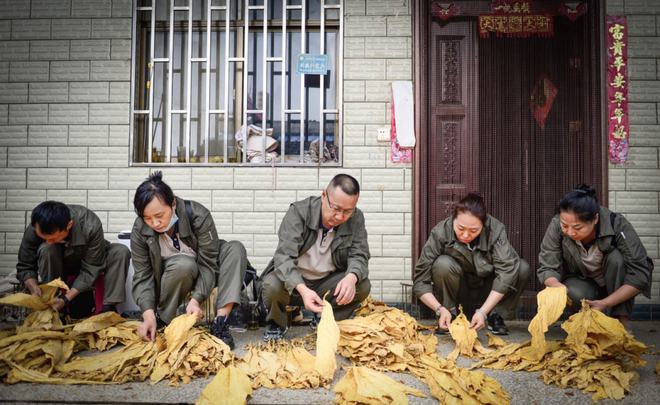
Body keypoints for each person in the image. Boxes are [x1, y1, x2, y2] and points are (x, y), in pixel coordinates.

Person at [130, 172, 247, 349]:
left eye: (160, 215)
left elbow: (208, 264)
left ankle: (220, 322)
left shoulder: (198, 215)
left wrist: (196, 300)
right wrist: (148, 315)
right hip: (174, 275)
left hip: (206, 268)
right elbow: (142, 275)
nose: (155, 223)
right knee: (183, 264)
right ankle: (163, 320)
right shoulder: (140, 230)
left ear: (173, 204)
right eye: (147, 218)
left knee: (235, 249)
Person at [261, 174, 371, 340]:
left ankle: (326, 319)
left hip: (326, 282)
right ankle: (277, 323)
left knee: (362, 285)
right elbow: (284, 258)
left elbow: (360, 254)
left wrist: (351, 277)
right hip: (295, 283)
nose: (341, 217)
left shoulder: (356, 218)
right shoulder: (299, 212)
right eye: (336, 208)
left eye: (348, 211)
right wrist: (303, 290)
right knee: (271, 286)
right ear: (324, 195)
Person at [413, 193, 530, 335]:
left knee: (521, 268)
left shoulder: (496, 229)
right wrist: (440, 309)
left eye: (474, 230)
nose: (466, 235)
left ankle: (495, 315)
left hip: (490, 290)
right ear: (453, 219)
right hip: (458, 288)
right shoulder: (440, 232)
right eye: (461, 229)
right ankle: (450, 315)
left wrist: (483, 312)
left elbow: (506, 272)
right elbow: (420, 280)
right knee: (442, 264)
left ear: (483, 224)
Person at [537, 184, 653, 326]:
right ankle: (584, 322)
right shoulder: (556, 224)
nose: (570, 232)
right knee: (572, 290)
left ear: (595, 219)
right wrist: (557, 287)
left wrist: (605, 303)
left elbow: (639, 275)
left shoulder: (616, 224)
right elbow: (547, 266)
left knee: (617, 259)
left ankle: (621, 321)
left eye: (578, 227)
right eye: (565, 226)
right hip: (583, 282)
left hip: (615, 284)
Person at [16, 201, 130, 314]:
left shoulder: (90, 224)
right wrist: (34, 289)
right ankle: (52, 301)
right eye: (43, 238)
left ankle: (108, 308)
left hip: (89, 260)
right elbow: (25, 265)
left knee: (120, 251)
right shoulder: (36, 227)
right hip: (58, 263)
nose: (48, 241)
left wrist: (66, 299)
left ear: (69, 225)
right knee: (47, 249)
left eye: (52, 238)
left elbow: (92, 268)